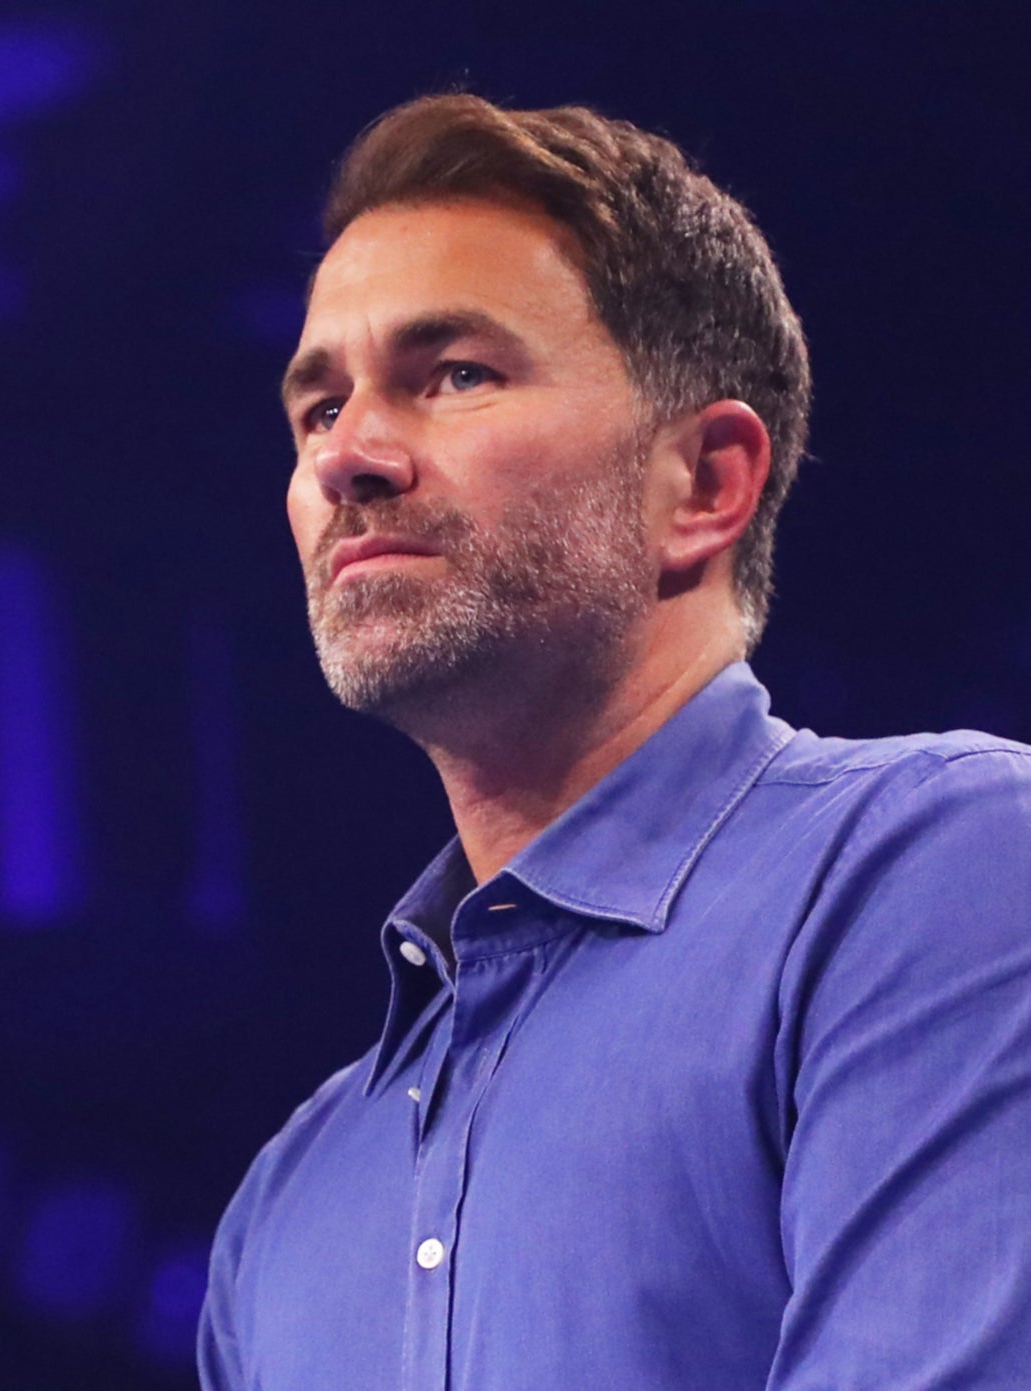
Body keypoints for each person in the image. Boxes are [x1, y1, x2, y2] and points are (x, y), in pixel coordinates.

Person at [198, 93, 1031, 1390]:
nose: (346, 456)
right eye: (316, 409)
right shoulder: (288, 1197)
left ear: (702, 483)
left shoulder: (935, 872)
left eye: (453, 374)